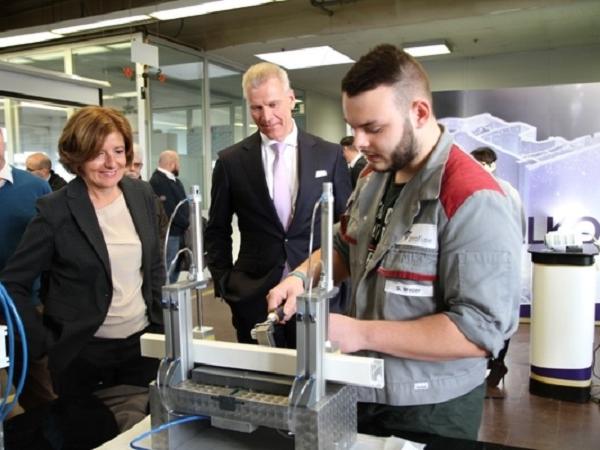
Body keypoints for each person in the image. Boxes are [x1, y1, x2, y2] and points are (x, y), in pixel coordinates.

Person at [267, 44, 522, 442]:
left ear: (418, 112)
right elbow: (344, 246)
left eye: (373, 128)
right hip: (363, 388)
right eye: (353, 128)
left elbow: (479, 331)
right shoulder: (373, 178)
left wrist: (362, 334)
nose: (360, 141)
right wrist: (301, 277)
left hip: (432, 409)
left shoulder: (472, 197)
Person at [1, 106, 165, 448]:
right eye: (97, 153)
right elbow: (13, 283)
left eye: (118, 151)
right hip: (82, 354)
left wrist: (163, 327)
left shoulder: (141, 194)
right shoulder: (55, 209)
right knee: (91, 437)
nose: (111, 163)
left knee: (145, 436)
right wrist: (40, 341)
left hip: (141, 348)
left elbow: (153, 267)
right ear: (76, 158)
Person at [205, 62, 352, 346]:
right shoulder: (231, 161)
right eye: (256, 108)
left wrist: (343, 284)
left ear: (291, 99)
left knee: (318, 379)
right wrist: (226, 284)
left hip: (317, 291)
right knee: (261, 379)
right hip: (253, 295)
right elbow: (217, 229)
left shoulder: (329, 155)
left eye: (273, 104)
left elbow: (345, 224)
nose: (266, 116)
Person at [0, 129, 55, 414]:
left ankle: (46, 433)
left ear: (3, 143)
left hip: (24, 305)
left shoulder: (34, 189)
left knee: (37, 381)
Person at [471, 146, 526, 396]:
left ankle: (495, 363)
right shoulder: (472, 187)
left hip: (498, 263)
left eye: (484, 163)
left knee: (499, 315)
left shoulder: (506, 190)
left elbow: (519, 226)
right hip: (481, 264)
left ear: (492, 164)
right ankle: (490, 364)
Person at [149, 150, 189, 283]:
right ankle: (165, 302)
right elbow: (170, 210)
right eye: (178, 163)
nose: (180, 166)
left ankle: (171, 301)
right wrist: (187, 223)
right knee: (168, 270)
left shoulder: (174, 181)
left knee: (176, 267)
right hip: (169, 234)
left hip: (179, 233)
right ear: (172, 164)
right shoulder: (158, 181)